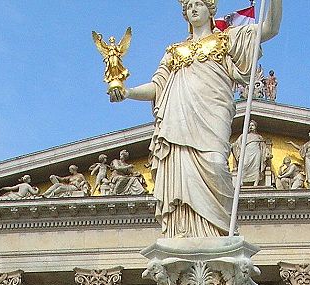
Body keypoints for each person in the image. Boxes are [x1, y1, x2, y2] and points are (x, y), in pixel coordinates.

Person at [109, 0, 282, 238]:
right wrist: (127, 93)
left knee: (215, 164)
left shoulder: (226, 40)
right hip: (178, 120)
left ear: (210, 9)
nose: (193, 8)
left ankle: (219, 234)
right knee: (182, 172)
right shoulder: (174, 51)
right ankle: (185, 230)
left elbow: (270, 28)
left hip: (213, 114)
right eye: (189, 5)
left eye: (199, 3)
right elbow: (158, 86)